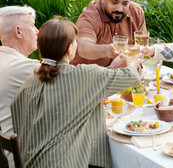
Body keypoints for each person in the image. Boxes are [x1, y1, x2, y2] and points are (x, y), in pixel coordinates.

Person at [11, 16, 140, 168]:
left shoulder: (30, 81)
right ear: (70, 49)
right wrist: (132, 63)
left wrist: (112, 69)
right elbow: (131, 76)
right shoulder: (83, 75)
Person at [71, 0, 147, 67]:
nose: (119, 9)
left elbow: (141, 46)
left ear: (130, 0)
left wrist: (135, 65)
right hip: (87, 76)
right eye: (114, 2)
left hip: (119, 75)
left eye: (125, 3)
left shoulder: (137, 11)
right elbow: (83, 47)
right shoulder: (90, 15)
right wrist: (108, 50)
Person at [0, 6, 40, 137]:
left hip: (7, 149)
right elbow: (71, 80)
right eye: (33, 26)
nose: (37, 31)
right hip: (26, 153)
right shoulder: (24, 67)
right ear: (18, 31)